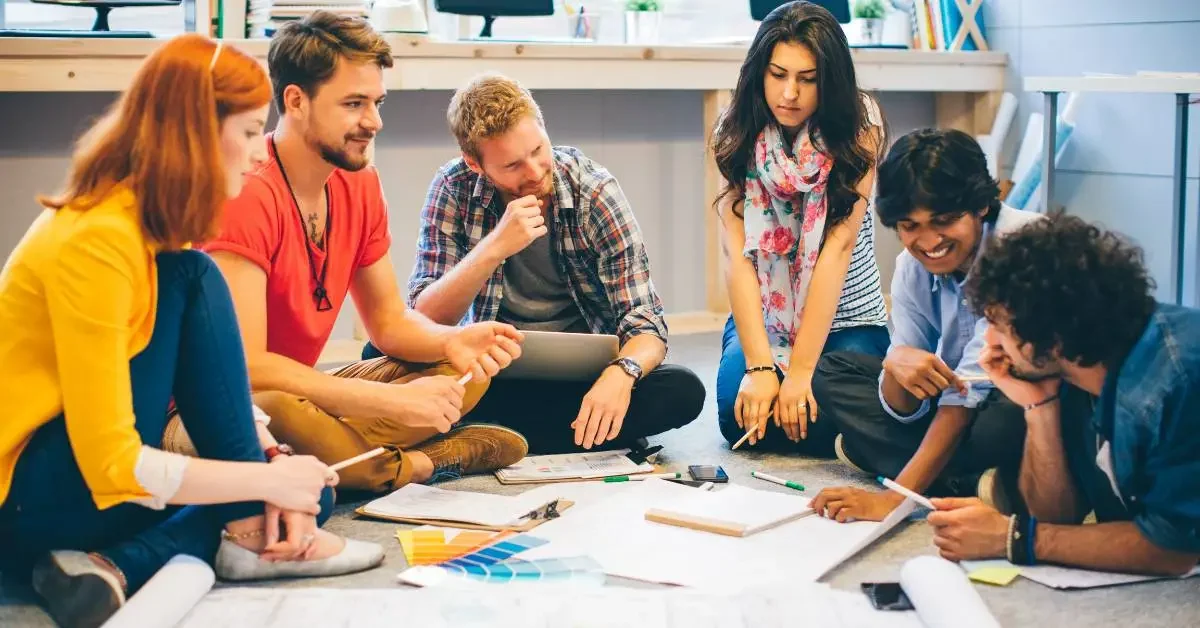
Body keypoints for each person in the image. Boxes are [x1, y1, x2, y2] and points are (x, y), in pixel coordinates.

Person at [0, 36, 382, 628]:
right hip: (27, 498)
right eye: (252, 131)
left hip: (85, 488)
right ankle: (228, 536)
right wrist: (263, 479)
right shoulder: (96, 240)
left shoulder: (143, 225)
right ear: (197, 133)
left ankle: (118, 563)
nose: (260, 154)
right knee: (279, 488)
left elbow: (210, 384)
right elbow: (113, 465)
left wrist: (270, 457)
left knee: (307, 488)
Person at [169, 12, 530, 494]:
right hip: (211, 405)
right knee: (277, 407)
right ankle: (419, 464)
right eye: (354, 103)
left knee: (466, 368)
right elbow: (247, 366)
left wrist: (450, 342)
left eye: (377, 102)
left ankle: (342, 455)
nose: (374, 122)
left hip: (305, 396)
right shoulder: (247, 194)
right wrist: (387, 403)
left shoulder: (359, 182)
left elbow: (388, 324)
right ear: (295, 101)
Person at [377, 72, 705, 454]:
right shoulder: (453, 187)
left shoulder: (594, 192)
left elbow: (645, 323)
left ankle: (484, 435)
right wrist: (494, 246)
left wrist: (622, 373)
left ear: (545, 128)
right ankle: (570, 434)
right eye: (512, 166)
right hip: (488, 372)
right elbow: (426, 318)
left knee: (681, 390)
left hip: (582, 378)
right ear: (475, 164)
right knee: (382, 354)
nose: (533, 173)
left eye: (537, 150)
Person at [927, 214, 1200, 576]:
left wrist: (1014, 537)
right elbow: (1056, 515)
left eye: (998, 326)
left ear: (1050, 339)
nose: (990, 343)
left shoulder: (1177, 380)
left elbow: (1173, 550)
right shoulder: (1078, 369)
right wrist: (1039, 406)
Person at [809, 128, 1041, 522]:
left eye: (944, 220)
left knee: (1001, 424)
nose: (928, 241)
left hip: (1028, 400)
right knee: (834, 371)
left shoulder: (1022, 248)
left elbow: (964, 398)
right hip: (959, 400)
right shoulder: (911, 266)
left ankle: (896, 461)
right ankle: (982, 485)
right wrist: (896, 364)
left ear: (982, 206)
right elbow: (905, 402)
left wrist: (896, 500)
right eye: (909, 225)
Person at [710, 0, 891, 453]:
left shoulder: (860, 126)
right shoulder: (733, 130)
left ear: (829, 82)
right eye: (778, 75)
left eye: (807, 80)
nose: (789, 93)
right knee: (740, 417)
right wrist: (760, 367)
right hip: (767, 320)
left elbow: (838, 247)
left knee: (821, 408)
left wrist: (803, 372)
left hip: (849, 318)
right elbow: (737, 255)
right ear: (759, 73)